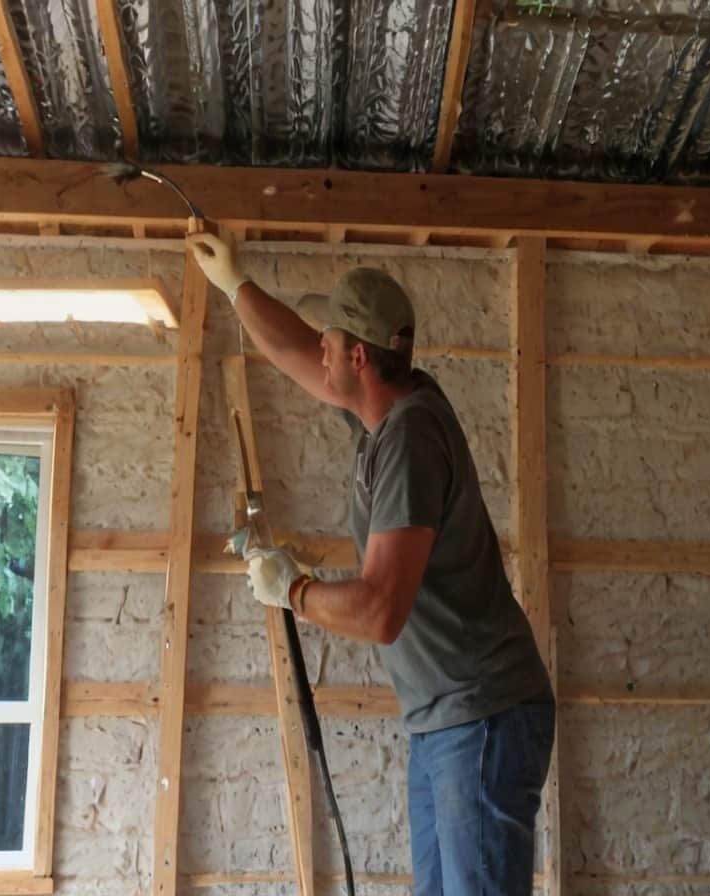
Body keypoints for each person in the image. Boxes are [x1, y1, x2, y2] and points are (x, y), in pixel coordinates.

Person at [188, 232, 555, 896]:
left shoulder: (410, 439)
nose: (317, 349)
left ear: (358, 356)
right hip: (449, 719)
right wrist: (235, 285)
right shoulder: (384, 410)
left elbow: (382, 611)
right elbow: (295, 349)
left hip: (483, 716)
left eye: (330, 341)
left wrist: (293, 589)